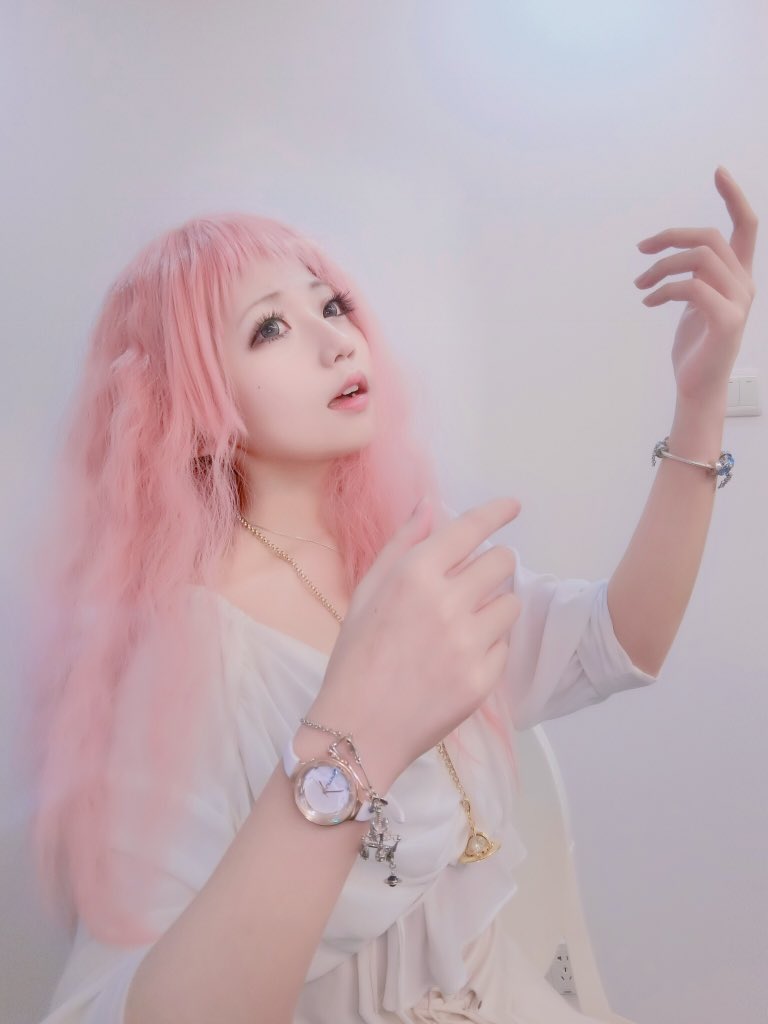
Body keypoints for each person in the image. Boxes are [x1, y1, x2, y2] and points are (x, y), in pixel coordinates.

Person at [18, 170, 756, 1023]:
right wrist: (353, 739)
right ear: (185, 403)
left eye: (331, 306)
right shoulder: (183, 648)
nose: (338, 342)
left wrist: (699, 400)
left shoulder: (402, 561)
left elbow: (620, 642)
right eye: (268, 328)